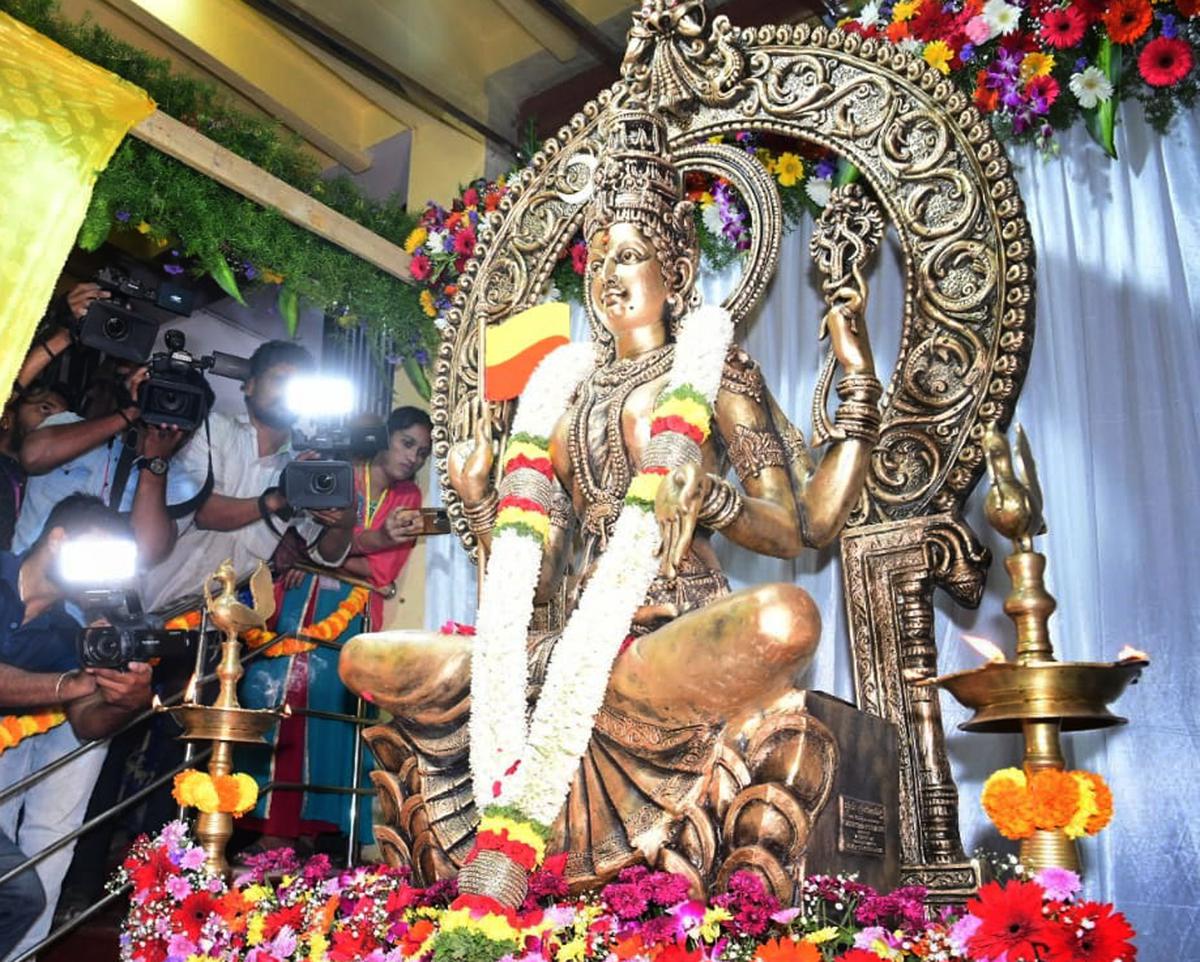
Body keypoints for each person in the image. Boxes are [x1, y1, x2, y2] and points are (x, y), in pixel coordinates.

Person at [338, 106, 883, 890]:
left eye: (630, 255)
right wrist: (482, 501)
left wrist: (715, 499)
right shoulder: (558, 394)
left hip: (667, 634)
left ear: (676, 273)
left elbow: (793, 529)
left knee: (783, 618)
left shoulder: (716, 369)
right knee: (366, 656)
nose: (610, 276)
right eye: (597, 258)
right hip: (557, 647)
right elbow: (528, 577)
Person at [238, 406, 432, 852]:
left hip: (353, 614)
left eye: (421, 452)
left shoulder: (409, 498)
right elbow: (296, 538)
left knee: (336, 716)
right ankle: (269, 828)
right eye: (407, 444)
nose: (412, 458)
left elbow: (381, 572)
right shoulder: (338, 472)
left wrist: (327, 552)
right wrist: (356, 546)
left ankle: (322, 831)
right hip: (296, 604)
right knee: (276, 701)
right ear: (385, 437)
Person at [0, 494, 153, 957]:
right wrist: (75, 682)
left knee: (21, 895)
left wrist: (124, 700)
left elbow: (87, 724)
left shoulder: (70, 634)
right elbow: (70, 688)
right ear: (57, 538)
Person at [142, 340, 355, 614]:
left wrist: (344, 524)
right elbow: (204, 511)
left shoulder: (302, 468)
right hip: (144, 599)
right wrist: (278, 498)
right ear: (250, 385)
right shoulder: (214, 428)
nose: (288, 393)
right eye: (279, 380)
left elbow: (326, 554)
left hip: (209, 619)